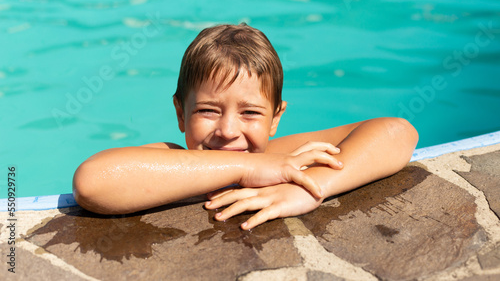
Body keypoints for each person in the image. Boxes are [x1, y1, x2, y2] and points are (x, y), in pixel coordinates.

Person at [73, 23, 418, 230]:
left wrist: (311, 188)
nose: (227, 130)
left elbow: (398, 131)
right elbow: (92, 183)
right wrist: (249, 166)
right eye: (208, 110)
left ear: (276, 118)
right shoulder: (175, 160)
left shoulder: (281, 157)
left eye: (250, 113)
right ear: (180, 113)